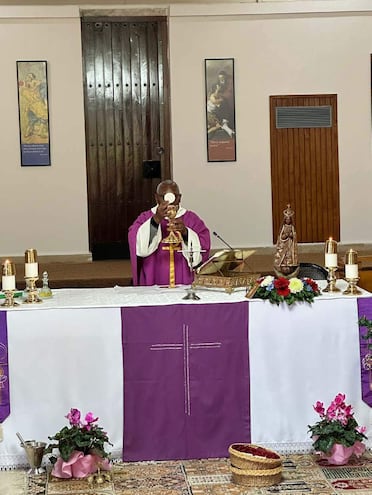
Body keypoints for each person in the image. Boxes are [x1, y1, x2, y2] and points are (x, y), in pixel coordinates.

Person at [128, 180, 211, 286]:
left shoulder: (191, 219)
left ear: (179, 198)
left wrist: (185, 233)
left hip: (185, 279)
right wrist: (156, 220)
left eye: (173, 196)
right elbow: (138, 245)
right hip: (153, 278)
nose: (168, 202)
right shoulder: (145, 218)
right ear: (156, 197)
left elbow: (203, 244)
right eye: (163, 197)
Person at [273, 204, 299, 277]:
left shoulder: (292, 227)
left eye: (289, 219)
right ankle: (283, 266)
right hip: (284, 244)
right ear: (285, 220)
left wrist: (291, 236)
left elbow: (294, 237)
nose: (288, 220)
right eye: (286, 219)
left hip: (290, 245)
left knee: (290, 255)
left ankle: (290, 266)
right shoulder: (283, 227)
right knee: (283, 256)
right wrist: (285, 236)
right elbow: (280, 237)